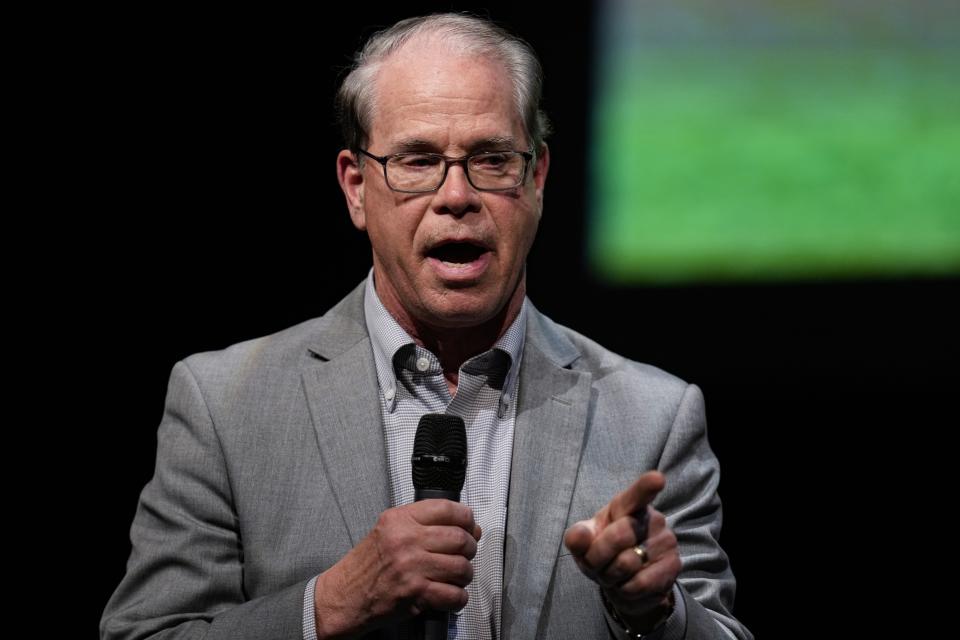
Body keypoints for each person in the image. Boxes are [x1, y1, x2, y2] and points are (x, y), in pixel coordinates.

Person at [101, 13, 752, 640]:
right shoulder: (224, 406)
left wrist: (651, 612)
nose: (457, 195)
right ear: (356, 187)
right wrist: (327, 607)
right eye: (417, 161)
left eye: (492, 158)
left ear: (537, 179)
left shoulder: (653, 417)